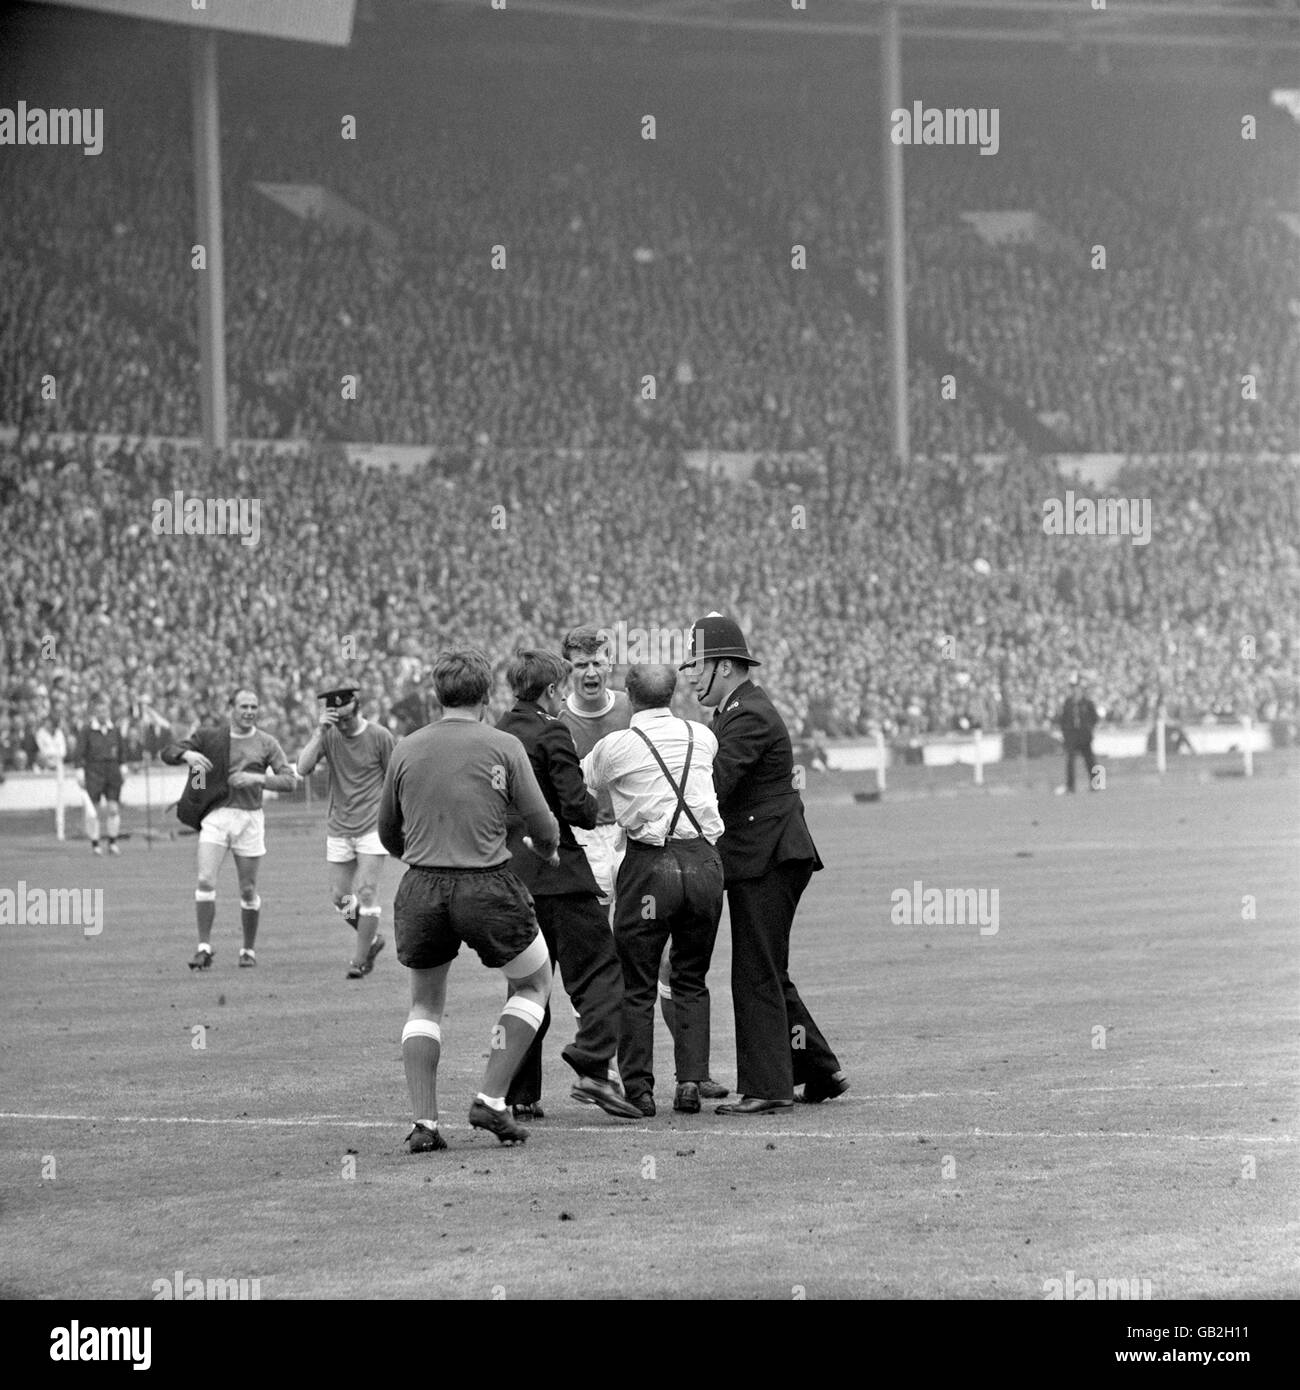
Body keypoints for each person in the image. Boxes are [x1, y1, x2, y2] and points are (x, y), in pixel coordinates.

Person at [377, 648, 560, 1153]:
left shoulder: (406, 748)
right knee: (533, 982)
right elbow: (543, 824)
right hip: (487, 885)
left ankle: (424, 1124)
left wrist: (419, 856)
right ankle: (492, 1098)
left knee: (425, 1003)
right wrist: (546, 851)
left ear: (438, 694)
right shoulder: (503, 745)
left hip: (421, 886)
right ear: (486, 695)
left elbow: (388, 832)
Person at [682, 614, 848, 1113]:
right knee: (770, 970)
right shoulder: (737, 709)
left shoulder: (747, 714)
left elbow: (715, 783)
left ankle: (768, 1089)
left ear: (726, 667)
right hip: (770, 855)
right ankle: (819, 1068)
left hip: (769, 858)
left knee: (754, 972)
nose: (690, 674)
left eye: (698, 663)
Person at [561, 623, 728, 1100]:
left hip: (649, 862)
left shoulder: (614, 746)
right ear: (675, 694)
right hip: (703, 864)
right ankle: (692, 1081)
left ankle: (638, 1089)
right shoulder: (703, 736)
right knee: (690, 976)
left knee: (636, 982)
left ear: (628, 696)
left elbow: (579, 787)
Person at [495, 649, 641, 1120]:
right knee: (602, 974)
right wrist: (594, 799)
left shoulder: (497, 732)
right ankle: (593, 1065)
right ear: (551, 689)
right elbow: (574, 806)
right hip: (558, 875)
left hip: (509, 876)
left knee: (528, 985)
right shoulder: (552, 730)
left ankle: (519, 1094)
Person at [160, 689, 298, 969]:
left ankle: (248, 950)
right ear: (231, 708)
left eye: (254, 706)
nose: (249, 711)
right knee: (205, 880)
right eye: (244, 706)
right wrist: (187, 756)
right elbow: (168, 751)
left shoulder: (266, 742)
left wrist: (255, 778)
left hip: (250, 819)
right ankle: (203, 948)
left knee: (247, 889)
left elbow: (290, 781)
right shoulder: (210, 737)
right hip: (217, 816)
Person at [296, 684, 396, 980]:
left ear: (357, 708)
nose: (343, 724)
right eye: (338, 720)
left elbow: (394, 780)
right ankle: (372, 938)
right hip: (339, 826)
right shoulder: (329, 736)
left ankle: (359, 960)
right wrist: (318, 734)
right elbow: (302, 768)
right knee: (340, 898)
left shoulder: (380, 736)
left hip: (372, 825)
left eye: (347, 719)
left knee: (366, 892)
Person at [73, 694, 127, 854]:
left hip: (112, 771)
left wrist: (123, 768)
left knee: (113, 808)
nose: (102, 714)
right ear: (94, 713)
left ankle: (112, 842)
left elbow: (122, 752)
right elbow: (79, 753)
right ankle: (95, 843)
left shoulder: (114, 730)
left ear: (108, 712)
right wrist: (79, 773)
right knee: (93, 811)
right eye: (99, 711)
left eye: (105, 711)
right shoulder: (87, 731)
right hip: (94, 772)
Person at [1058, 674, 1101, 793]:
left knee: (1091, 760)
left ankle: (1097, 784)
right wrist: (1066, 733)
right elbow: (1063, 719)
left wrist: (1089, 728)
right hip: (1072, 737)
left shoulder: (1087, 703)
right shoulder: (1068, 703)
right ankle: (1070, 786)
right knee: (1070, 761)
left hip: (1085, 736)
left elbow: (1094, 718)